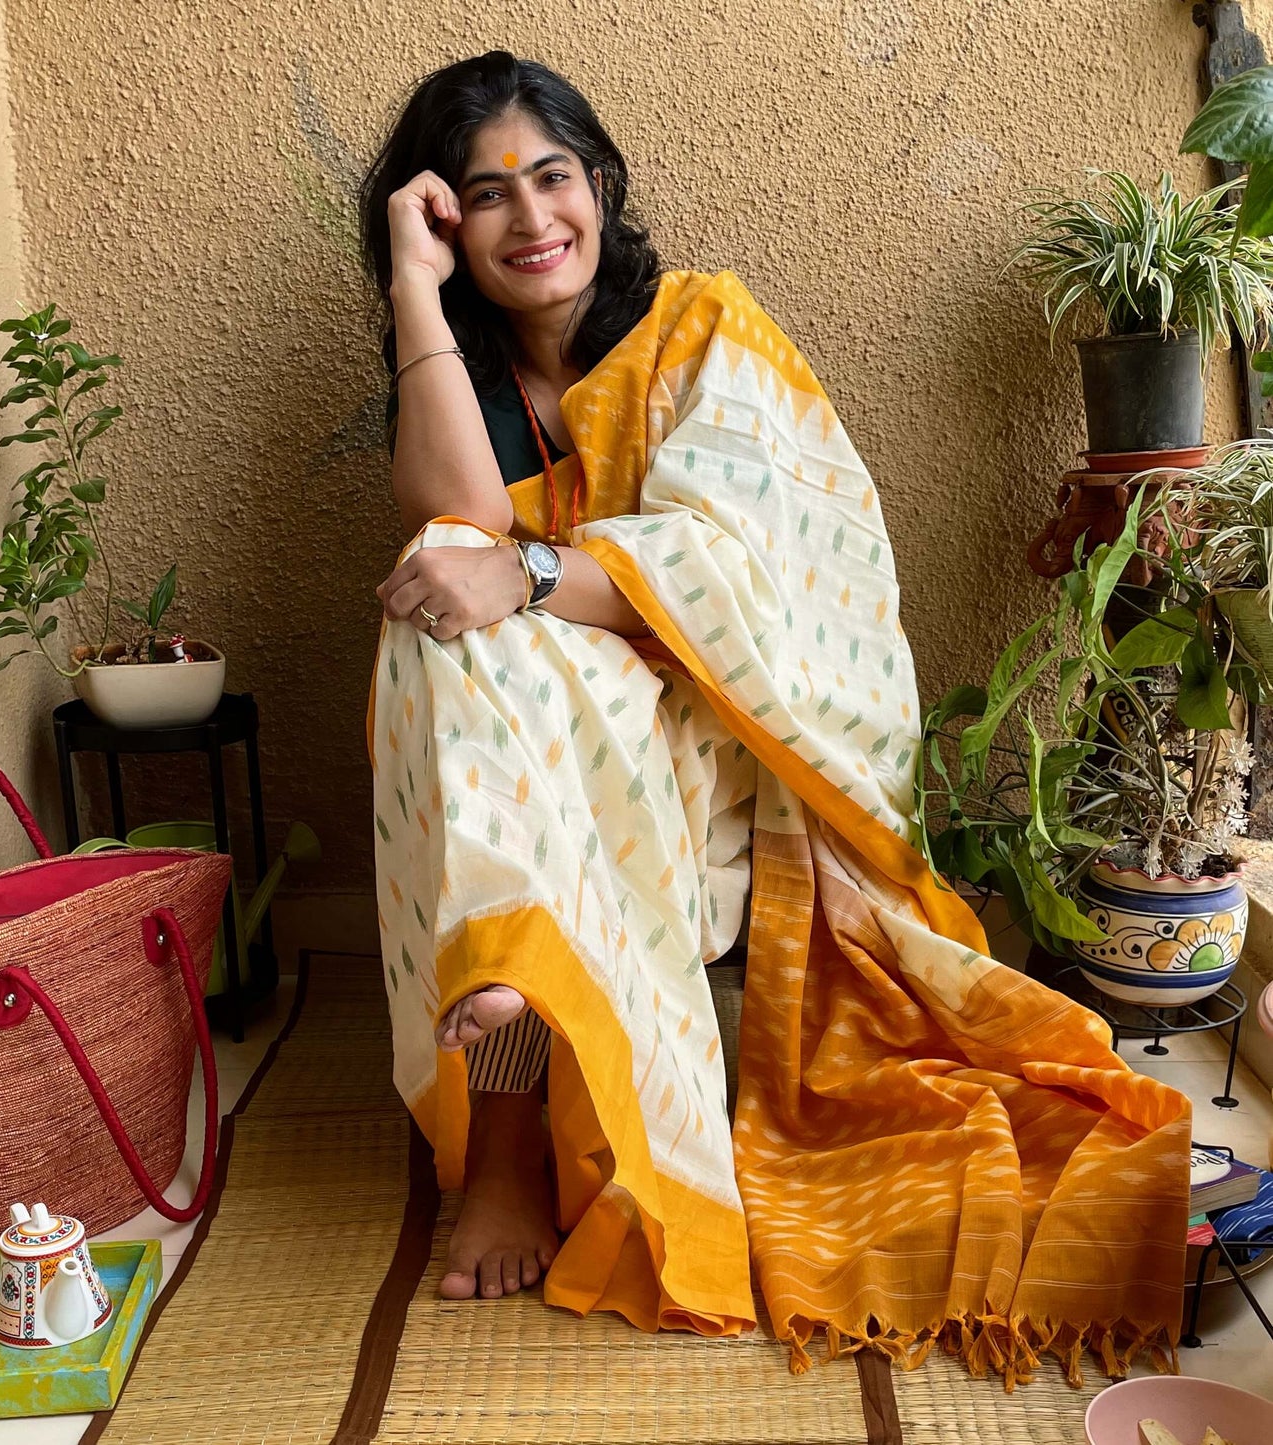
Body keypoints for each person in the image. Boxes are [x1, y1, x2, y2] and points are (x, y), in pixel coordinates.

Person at [357, 51, 1190, 1383]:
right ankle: (511, 1001)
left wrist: (515, 575)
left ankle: (510, 1043)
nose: (530, 220)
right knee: (441, 618)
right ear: (447, 222)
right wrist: (411, 287)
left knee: (475, 615)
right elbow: (462, 511)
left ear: (602, 185)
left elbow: (752, 571)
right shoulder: (462, 370)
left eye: (553, 178)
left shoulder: (700, 327)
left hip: (721, 750)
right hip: (542, 745)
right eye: (483, 196)